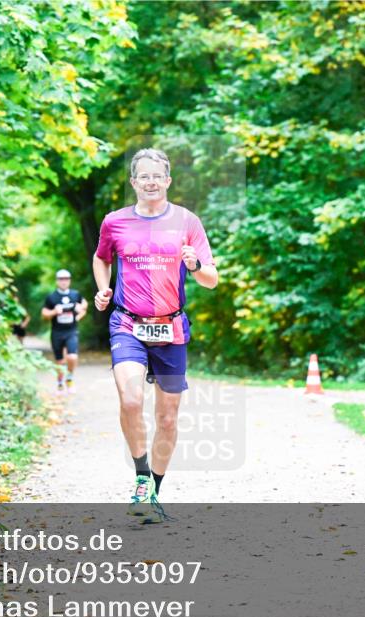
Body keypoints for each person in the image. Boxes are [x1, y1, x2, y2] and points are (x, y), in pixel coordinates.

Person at [92, 147, 218, 523]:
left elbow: (211, 279)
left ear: (168, 181)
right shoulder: (114, 222)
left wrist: (195, 265)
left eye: (157, 176)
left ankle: (153, 494)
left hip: (171, 326)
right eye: (143, 176)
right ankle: (141, 478)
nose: (150, 182)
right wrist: (103, 288)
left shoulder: (187, 221)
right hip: (127, 323)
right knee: (131, 400)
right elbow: (102, 257)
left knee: (167, 419)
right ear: (134, 182)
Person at [41, 269, 87, 393]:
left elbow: (84, 305)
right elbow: (44, 313)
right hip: (57, 332)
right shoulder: (52, 297)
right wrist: (54, 312)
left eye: (66, 279)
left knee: (72, 357)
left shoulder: (75, 294)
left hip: (71, 331)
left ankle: (70, 379)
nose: (64, 281)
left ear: (69, 280)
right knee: (60, 361)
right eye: (61, 279)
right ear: (57, 281)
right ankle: (60, 383)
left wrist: (79, 312)